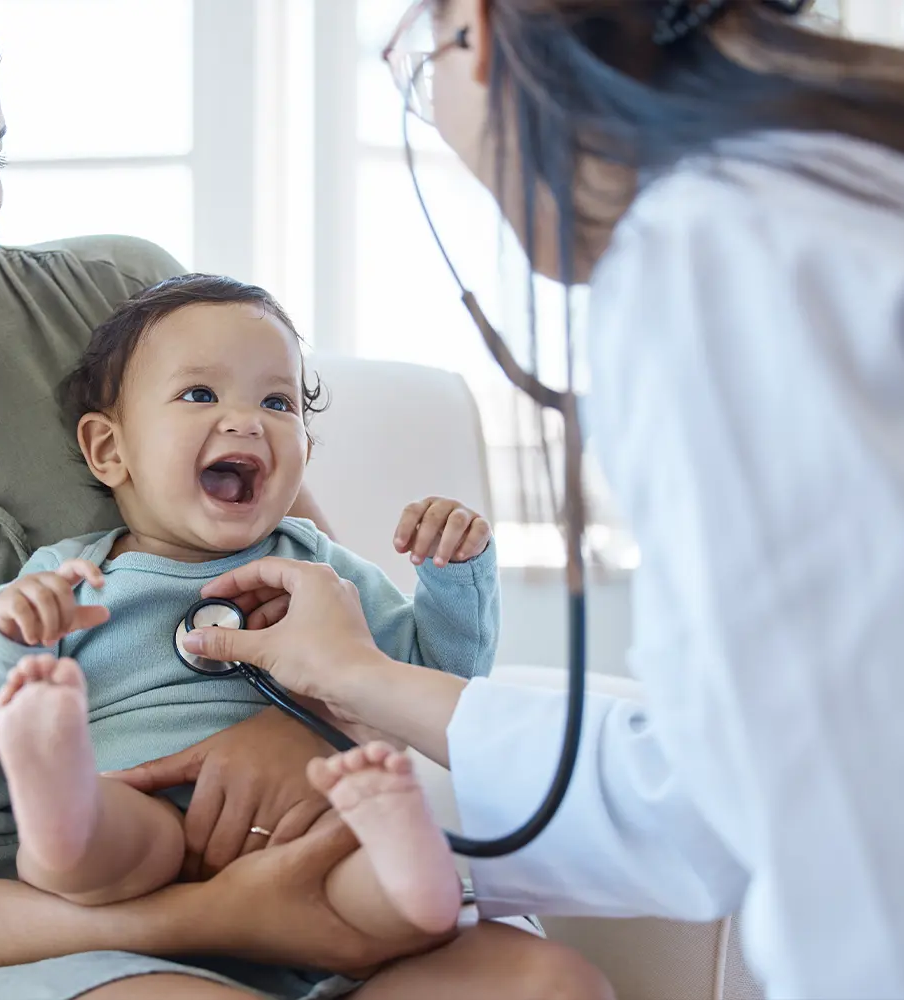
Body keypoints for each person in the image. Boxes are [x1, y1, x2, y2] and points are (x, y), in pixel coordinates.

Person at [0, 1, 612, 998]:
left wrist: (295, 731)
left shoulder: (120, 304)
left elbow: (313, 606)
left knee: (541, 985)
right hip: (7, 942)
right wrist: (203, 915)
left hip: (299, 864)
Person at [174, 0, 904, 997]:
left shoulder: (712, 252)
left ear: (476, 32)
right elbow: (737, 774)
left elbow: (782, 809)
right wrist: (356, 680)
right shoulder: (833, 182)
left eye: (420, 66)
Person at [0, 273, 500, 941]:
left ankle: (410, 868)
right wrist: (0, 630)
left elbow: (433, 682)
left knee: (371, 887)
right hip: (139, 806)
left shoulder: (319, 569)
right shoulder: (74, 579)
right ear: (109, 449)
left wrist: (452, 577)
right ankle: (59, 795)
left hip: (310, 818)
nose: (246, 419)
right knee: (92, 850)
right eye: (198, 394)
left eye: (277, 402)